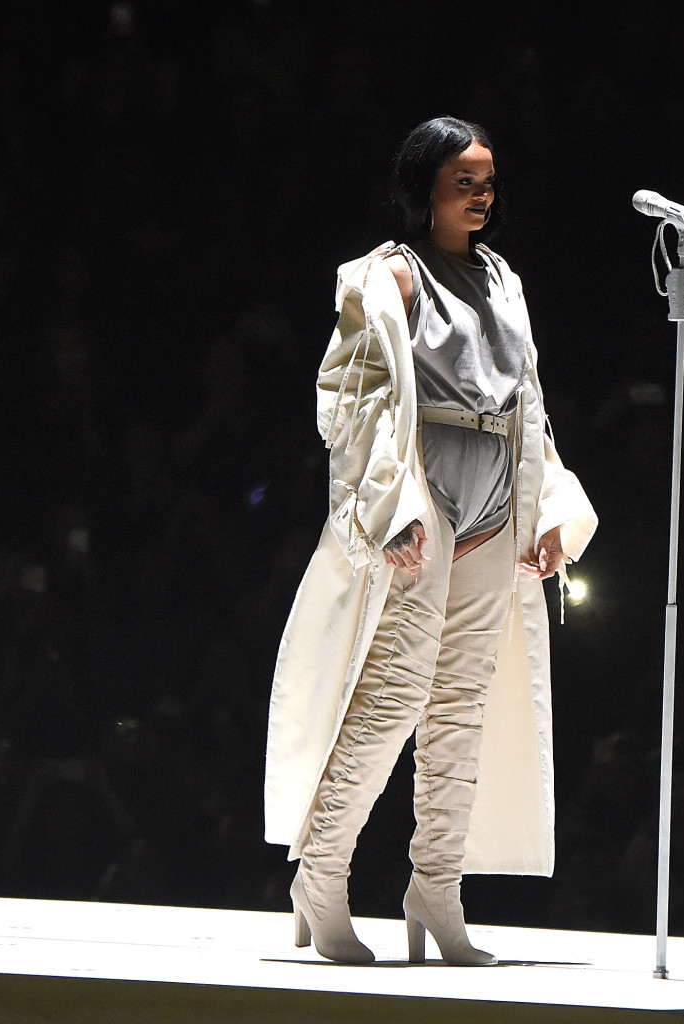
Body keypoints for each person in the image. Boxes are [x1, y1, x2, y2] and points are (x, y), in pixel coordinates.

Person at [263, 116, 597, 965]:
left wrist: (548, 506)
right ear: (427, 188)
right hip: (427, 492)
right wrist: (392, 506)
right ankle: (322, 875)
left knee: (462, 707)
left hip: (497, 496)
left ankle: (436, 890)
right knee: (392, 696)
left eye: (487, 181)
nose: (481, 195)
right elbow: (356, 401)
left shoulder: (503, 278)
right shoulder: (390, 276)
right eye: (464, 181)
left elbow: (529, 401)